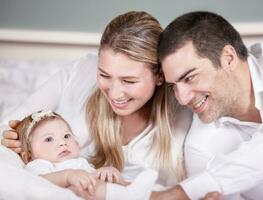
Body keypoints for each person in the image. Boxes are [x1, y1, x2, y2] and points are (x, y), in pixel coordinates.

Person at [0, 11, 192, 198]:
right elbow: (10, 125)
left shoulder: (185, 106)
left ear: (159, 76)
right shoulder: (80, 72)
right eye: (104, 75)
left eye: (129, 81)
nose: (115, 93)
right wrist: (12, 137)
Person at [151, 11, 263, 200]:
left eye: (190, 77)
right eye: (173, 86)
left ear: (229, 58)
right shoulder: (200, 149)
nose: (182, 99)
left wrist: (181, 193)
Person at [16, 109, 158, 200]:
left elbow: (92, 179)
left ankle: (135, 191)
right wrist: (66, 176)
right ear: (28, 156)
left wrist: (106, 173)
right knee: (80, 189)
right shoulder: (39, 165)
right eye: (49, 139)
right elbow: (35, 185)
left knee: (107, 182)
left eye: (66, 136)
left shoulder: (80, 163)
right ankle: (132, 195)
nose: (62, 143)